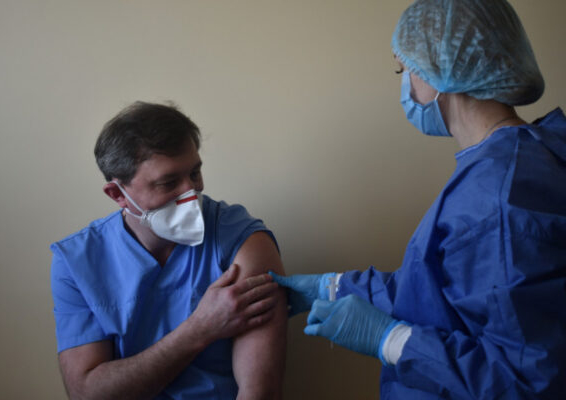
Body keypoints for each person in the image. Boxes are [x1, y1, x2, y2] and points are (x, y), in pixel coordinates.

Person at [271, 0, 566, 398]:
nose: (406, 84)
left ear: (443, 69)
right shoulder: (523, 156)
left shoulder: (499, 197)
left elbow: (521, 382)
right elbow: (440, 287)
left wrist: (392, 341)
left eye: (405, 69)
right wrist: (333, 287)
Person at [50, 101, 287, 400]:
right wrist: (199, 329)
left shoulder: (242, 241)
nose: (191, 193)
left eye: (195, 173)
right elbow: (87, 394)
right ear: (117, 194)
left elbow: (260, 392)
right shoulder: (77, 262)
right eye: (169, 182)